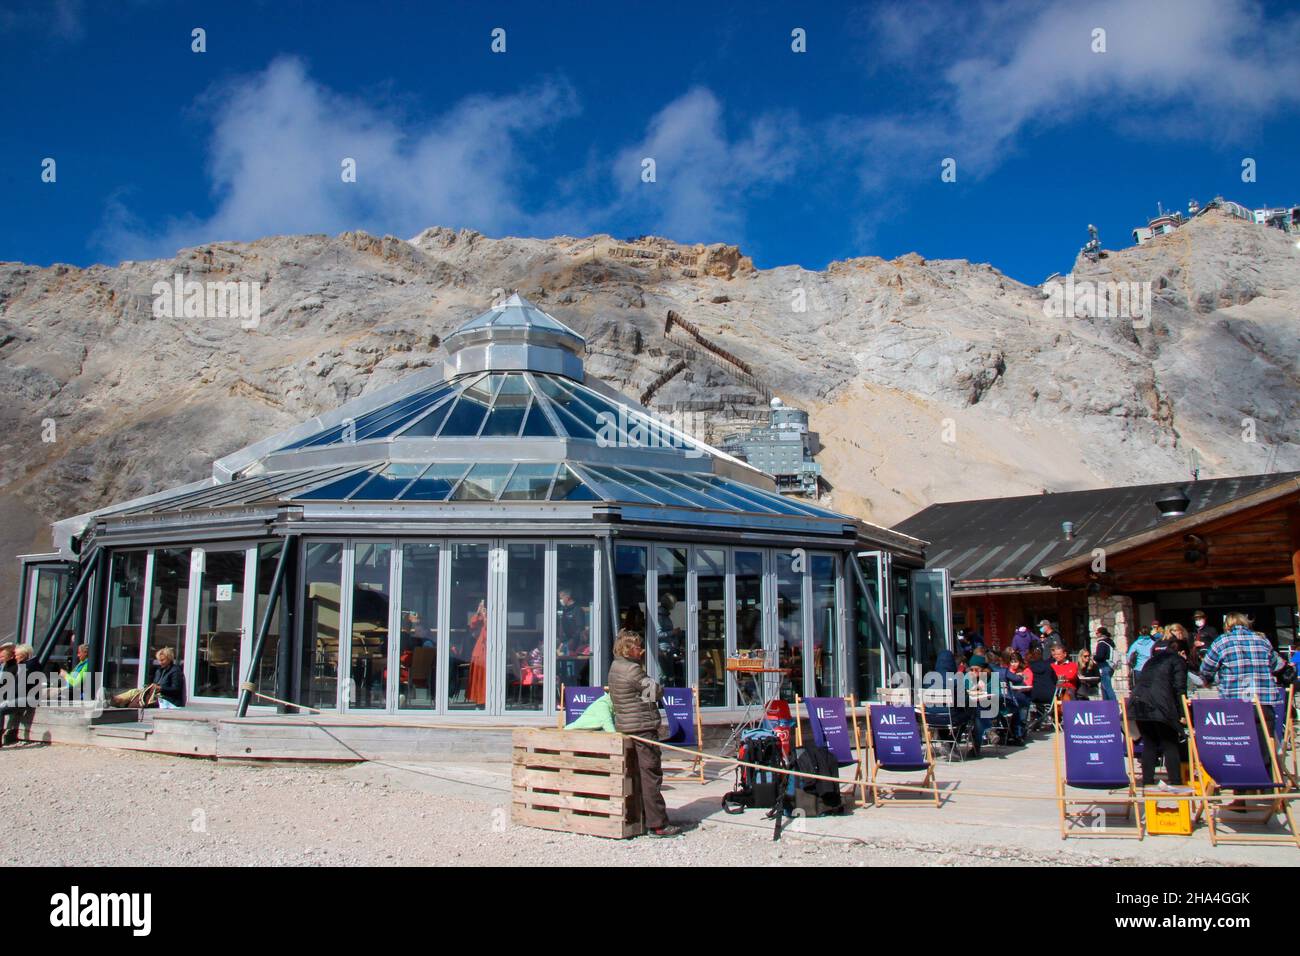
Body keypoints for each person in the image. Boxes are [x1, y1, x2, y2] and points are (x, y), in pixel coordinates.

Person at [608, 629, 680, 837]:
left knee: (636, 776)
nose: (641, 650)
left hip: (626, 725)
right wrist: (651, 689)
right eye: (638, 646)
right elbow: (655, 692)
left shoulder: (615, 667)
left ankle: (641, 818)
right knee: (651, 775)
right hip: (642, 727)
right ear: (628, 649)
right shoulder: (632, 670)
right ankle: (658, 824)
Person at [1200, 612, 1288, 754]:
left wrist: (1209, 679)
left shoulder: (1222, 641)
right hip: (1263, 701)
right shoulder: (1262, 640)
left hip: (1235, 703)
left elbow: (1206, 669)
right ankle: (1266, 768)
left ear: (1227, 625)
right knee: (1266, 748)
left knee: (1241, 751)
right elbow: (1275, 665)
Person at [1131, 635, 1190, 788]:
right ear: (1182, 652)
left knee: (1149, 743)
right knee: (1170, 743)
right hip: (1161, 705)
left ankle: (1147, 781)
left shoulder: (1151, 661)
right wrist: (1183, 713)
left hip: (1140, 703)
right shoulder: (1178, 660)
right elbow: (1180, 688)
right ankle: (1176, 781)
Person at [467, 597, 488, 707]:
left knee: (484, 679)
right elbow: (472, 624)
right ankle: (479, 701)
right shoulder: (481, 619)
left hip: (486, 653)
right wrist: (478, 612)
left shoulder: (495, 617)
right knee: (479, 679)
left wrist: (485, 616)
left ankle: (485, 701)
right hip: (479, 652)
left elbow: (489, 632)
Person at [1093, 627, 1117, 701]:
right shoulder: (1110, 642)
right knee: (1103, 686)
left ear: (1100, 634)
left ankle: (1113, 704)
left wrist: (1094, 657)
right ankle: (1106, 704)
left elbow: (1100, 656)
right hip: (1111, 666)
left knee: (1107, 686)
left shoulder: (1102, 643)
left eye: (1097, 633)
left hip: (1104, 666)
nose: (1096, 635)